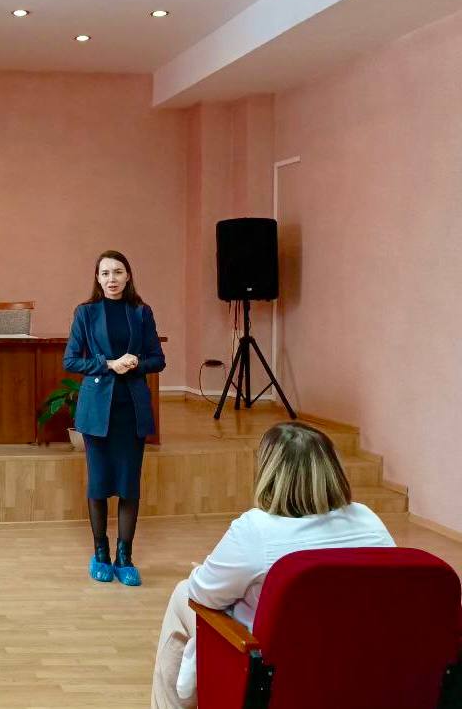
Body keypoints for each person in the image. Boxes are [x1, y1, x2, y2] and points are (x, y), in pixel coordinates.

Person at [150, 422, 395, 709]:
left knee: (183, 594)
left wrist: (206, 573)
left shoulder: (257, 529)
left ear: (270, 473)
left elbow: (202, 594)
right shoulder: (369, 521)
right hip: (359, 668)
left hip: (275, 673)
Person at [64, 249, 166, 586]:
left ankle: (125, 556)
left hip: (131, 408)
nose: (112, 279)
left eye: (118, 272)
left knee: (128, 485)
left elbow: (158, 359)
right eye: (105, 273)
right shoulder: (85, 312)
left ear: (128, 275)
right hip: (97, 410)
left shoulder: (141, 312)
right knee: (98, 483)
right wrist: (108, 364)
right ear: (97, 277)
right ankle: (100, 553)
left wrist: (135, 362)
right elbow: (71, 360)